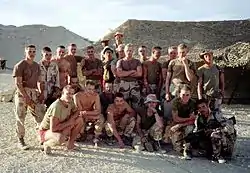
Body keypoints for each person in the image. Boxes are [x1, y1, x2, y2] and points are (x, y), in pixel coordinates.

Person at [13, 45, 46, 150]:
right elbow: (18, 83)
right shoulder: (20, 65)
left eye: (34, 51)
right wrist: (25, 96)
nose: (32, 53)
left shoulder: (37, 66)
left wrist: (41, 93)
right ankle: (21, 139)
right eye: (30, 51)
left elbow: (40, 81)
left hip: (33, 92)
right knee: (21, 116)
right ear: (25, 52)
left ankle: (42, 138)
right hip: (22, 92)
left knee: (39, 115)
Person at [39, 85, 83, 154]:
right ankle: (46, 144)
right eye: (68, 93)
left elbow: (77, 111)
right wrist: (69, 123)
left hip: (61, 126)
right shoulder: (56, 106)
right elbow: (53, 128)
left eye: (72, 94)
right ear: (62, 94)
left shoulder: (70, 101)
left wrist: (72, 119)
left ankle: (70, 144)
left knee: (79, 120)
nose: (70, 96)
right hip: (46, 131)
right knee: (60, 138)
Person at [194, 99, 236, 163]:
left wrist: (215, 130)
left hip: (226, 143)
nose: (202, 109)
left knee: (215, 134)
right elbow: (198, 131)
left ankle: (219, 156)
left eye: (203, 107)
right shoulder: (199, 119)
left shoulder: (216, 115)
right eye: (199, 108)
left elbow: (229, 129)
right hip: (213, 142)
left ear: (207, 106)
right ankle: (212, 152)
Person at [164, 85, 196, 160]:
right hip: (177, 122)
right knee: (177, 148)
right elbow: (175, 118)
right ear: (179, 94)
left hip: (186, 124)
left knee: (190, 128)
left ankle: (187, 148)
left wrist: (181, 124)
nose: (185, 97)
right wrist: (188, 119)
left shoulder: (192, 103)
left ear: (190, 95)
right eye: (183, 95)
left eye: (187, 95)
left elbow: (193, 120)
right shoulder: (176, 102)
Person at [73, 80, 104, 145]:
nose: (91, 91)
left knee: (100, 117)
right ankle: (81, 133)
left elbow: (98, 111)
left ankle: (96, 137)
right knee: (79, 120)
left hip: (88, 114)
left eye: (93, 89)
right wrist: (90, 113)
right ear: (84, 87)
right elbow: (79, 111)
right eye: (89, 89)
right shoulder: (77, 96)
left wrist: (86, 112)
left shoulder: (95, 96)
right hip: (81, 116)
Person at [116, 44, 142, 108]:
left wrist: (125, 73)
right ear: (124, 51)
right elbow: (119, 74)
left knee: (136, 104)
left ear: (133, 51)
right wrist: (132, 71)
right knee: (123, 103)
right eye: (127, 50)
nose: (129, 52)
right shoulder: (120, 61)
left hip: (134, 84)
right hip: (123, 84)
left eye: (130, 51)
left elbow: (139, 73)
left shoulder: (137, 61)